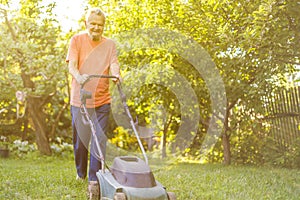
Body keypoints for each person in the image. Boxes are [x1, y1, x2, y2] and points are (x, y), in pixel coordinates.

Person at [66, 7, 121, 199]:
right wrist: (79, 76)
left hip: (102, 100)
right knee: (81, 142)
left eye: (100, 25)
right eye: (93, 24)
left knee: (99, 140)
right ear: (86, 24)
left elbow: (114, 62)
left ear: (103, 26)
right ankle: (81, 173)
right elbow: (71, 64)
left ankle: (94, 178)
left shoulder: (110, 44)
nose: (97, 28)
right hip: (80, 99)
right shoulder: (76, 40)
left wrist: (116, 75)